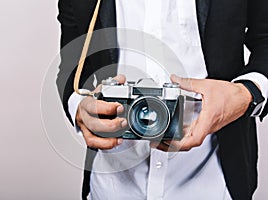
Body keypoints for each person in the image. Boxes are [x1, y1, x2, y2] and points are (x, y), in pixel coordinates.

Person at [56, 0, 268, 199]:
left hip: (215, 180)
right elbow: (71, 66)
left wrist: (246, 93)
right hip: (110, 185)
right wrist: (80, 106)